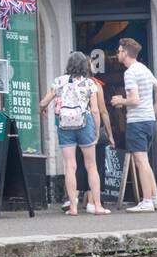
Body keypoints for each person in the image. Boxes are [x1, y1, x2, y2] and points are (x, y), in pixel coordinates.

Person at [40, 51, 108, 216]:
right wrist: (97, 131)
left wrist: (43, 109)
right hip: (85, 125)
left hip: (65, 126)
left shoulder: (59, 81)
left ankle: (73, 207)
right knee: (91, 166)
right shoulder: (90, 84)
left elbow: (43, 102)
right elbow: (95, 110)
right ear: (85, 66)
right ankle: (97, 206)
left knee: (70, 166)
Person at [110, 37, 157, 212]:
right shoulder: (144, 69)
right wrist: (152, 112)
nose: (117, 54)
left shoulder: (130, 73)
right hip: (149, 121)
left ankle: (147, 201)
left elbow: (134, 100)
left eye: (119, 51)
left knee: (140, 161)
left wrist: (121, 100)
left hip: (137, 122)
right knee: (145, 161)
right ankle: (155, 198)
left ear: (125, 53)